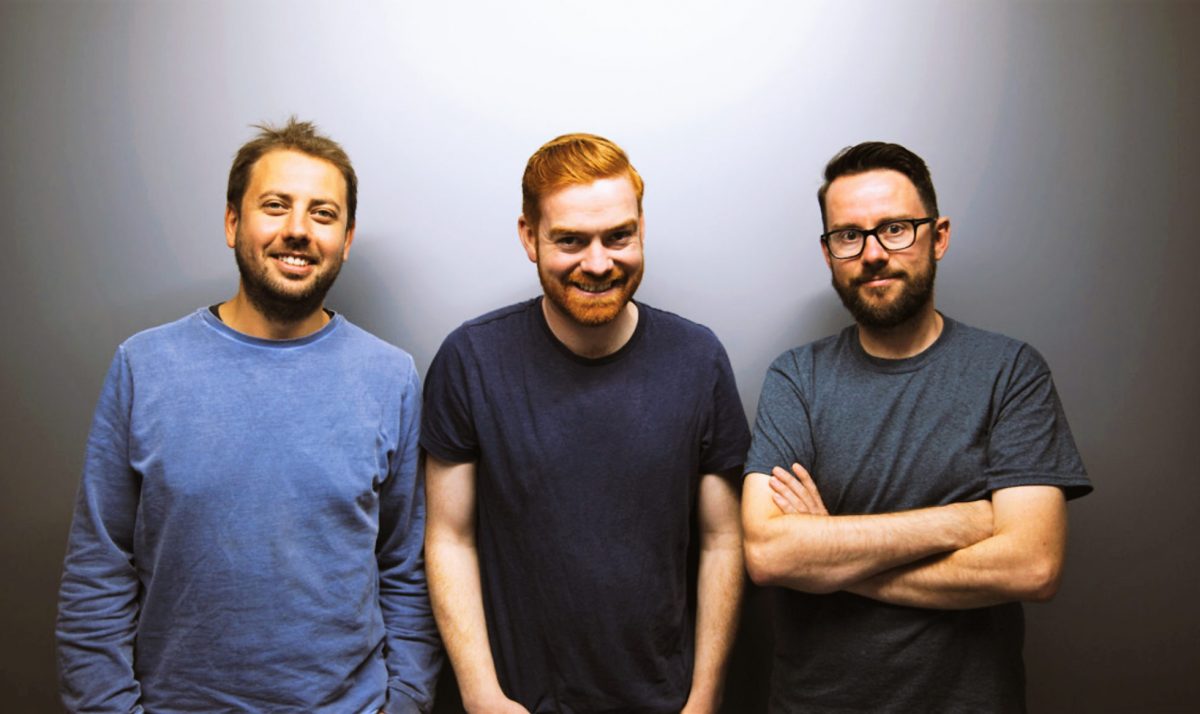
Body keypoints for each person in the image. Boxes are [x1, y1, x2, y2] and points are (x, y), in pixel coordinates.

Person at [56, 118, 440, 713]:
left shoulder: (391, 377)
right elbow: (97, 572)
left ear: (346, 236)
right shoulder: (145, 366)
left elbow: (405, 571)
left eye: (322, 213)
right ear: (233, 222)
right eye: (275, 206)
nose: (297, 230)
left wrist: (406, 703)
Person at [742, 141, 1092, 713]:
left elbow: (1032, 564)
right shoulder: (796, 379)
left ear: (939, 235)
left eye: (896, 228)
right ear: (829, 252)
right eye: (848, 236)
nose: (873, 253)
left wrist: (832, 562)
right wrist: (963, 521)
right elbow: (769, 555)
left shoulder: (1009, 372)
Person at [422, 133, 751, 713]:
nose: (597, 264)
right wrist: (480, 696)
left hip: (665, 701)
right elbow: (450, 537)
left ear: (641, 229)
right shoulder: (471, 360)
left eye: (618, 236)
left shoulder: (698, 359)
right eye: (570, 240)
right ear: (530, 238)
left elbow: (724, 541)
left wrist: (704, 699)